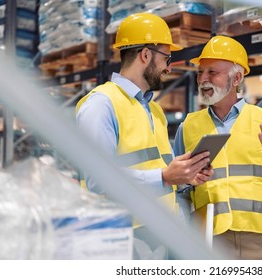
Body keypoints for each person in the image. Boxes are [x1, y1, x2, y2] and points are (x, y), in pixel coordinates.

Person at [76, 13, 213, 259]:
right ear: (146, 55)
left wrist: (185, 176)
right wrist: (163, 176)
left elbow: (160, 171)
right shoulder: (101, 104)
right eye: (166, 58)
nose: (169, 67)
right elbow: (98, 178)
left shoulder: (154, 110)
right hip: (121, 236)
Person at [173, 35, 262, 260]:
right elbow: (180, 192)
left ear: (237, 78)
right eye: (200, 73)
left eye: (212, 72)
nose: (203, 79)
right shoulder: (188, 127)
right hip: (211, 242)